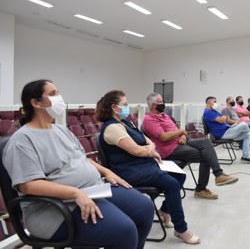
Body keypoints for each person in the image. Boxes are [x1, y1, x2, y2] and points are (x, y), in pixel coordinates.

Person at [3, 80, 154, 249]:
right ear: (35, 103)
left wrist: (107, 172)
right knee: (124, 231)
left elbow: (82, 159)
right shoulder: (22, 141)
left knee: (145, 208)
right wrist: (75, 193)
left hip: (91, 190)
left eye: (58, 92)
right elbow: (28, 186)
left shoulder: (62, 130)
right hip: (54, 209)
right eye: (53, 94)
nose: (59, 98)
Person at [96, 91, 200, 244]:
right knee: (172, 184)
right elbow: (136, 150)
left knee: (180, 176)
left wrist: (150, 148)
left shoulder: (126, 123)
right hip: (129, 171)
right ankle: (181, 229)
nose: (127, 107)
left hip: (142, 164)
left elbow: (147, 141)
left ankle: (165, 211)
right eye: (124, 104)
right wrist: (150, 151)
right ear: (114, 107)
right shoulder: (112, 128)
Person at [142, 93, 238, 201]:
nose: (163, 103)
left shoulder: (164, 115)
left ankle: (219, 175)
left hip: (181, 142)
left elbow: (177, 130)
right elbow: (163, 137)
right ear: (154, 105)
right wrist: (181, 132)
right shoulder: (149, 120)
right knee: (206, 156)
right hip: (169, 149)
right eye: (161, 102)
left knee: (206, 142)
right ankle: (201, 189)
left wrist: (182, 134)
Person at [203, 96, 250, 164]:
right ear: (209, 102)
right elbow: (222, 120)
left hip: (228, 130)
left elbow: (226, 119)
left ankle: (245, 156)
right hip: (222, 134)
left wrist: (228, 120)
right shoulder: (208, 112)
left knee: (247, 134)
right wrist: (224, 117)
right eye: (214, 102)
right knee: (244, 124)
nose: (216, 103)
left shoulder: (213, 111)